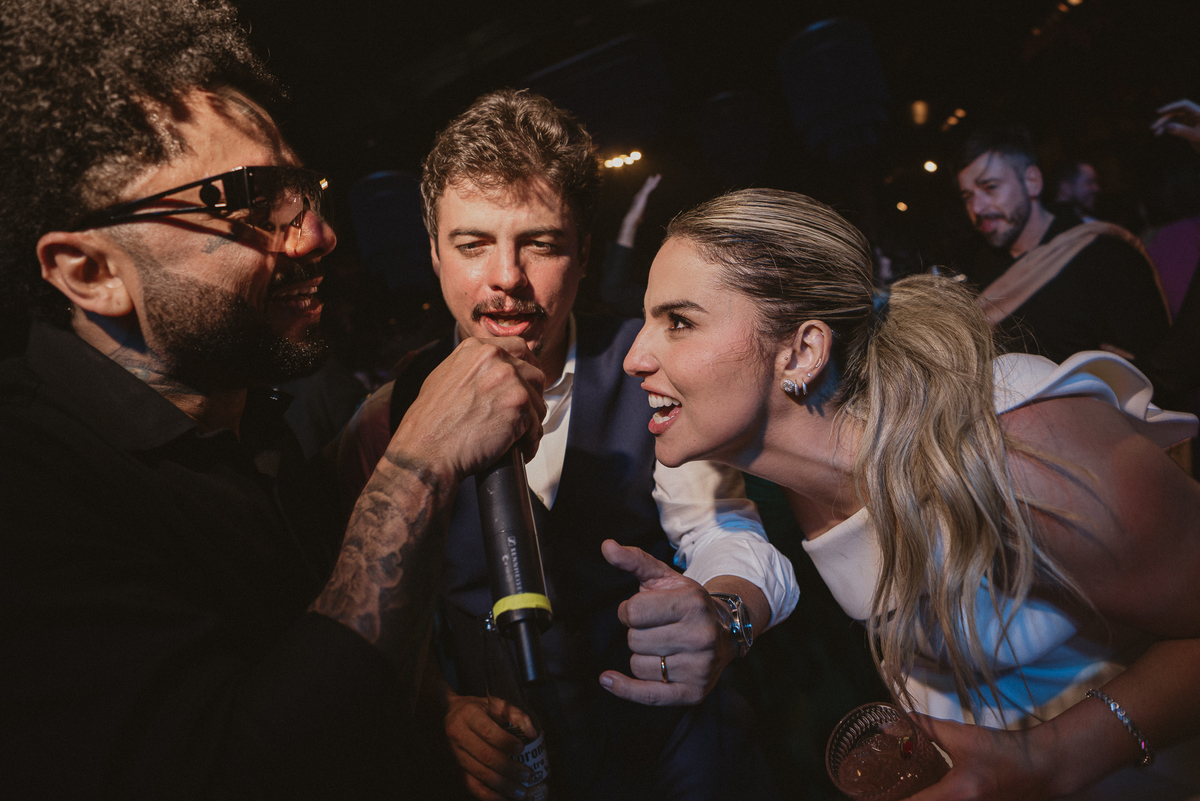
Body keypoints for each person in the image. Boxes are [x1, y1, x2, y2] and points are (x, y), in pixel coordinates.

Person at [0, 2, 547, 797]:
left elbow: (308, 626)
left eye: (302, 191)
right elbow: (237, 771)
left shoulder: (240, 418)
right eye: (252, 203)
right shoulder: (30, 484)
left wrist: (433, 707)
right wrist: (416, 467)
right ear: (93, 272)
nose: (317, 235)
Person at [622, 186, 1200, 799]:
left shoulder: (1018, 452)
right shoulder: (788, 460)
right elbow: (719, 531)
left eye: (679, 322)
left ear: (802, 352)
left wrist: (1053, 758)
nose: (634, 357)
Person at [337, 89, 796, 801]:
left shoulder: (650, 369)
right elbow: (374, 602)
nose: (506, 276)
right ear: (434, 253)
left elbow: (720, 530)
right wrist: (443, 704)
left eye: (541, 243)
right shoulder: (386, 416)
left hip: (680, 753)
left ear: (583, 254)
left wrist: (723, 612)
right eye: (472, 244)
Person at [954, 126, 1170, 366]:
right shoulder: (984, 272)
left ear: (1032, 182)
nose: (977, 208)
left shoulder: (1103, 254)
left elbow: (1158, 363)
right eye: (968, 197)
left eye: (990, 187)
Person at [1048, 159, 1100, 223]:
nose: (1096, 188)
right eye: (1089, 182)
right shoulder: (1053, 224)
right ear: (1066, 187)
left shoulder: (1090, 222)